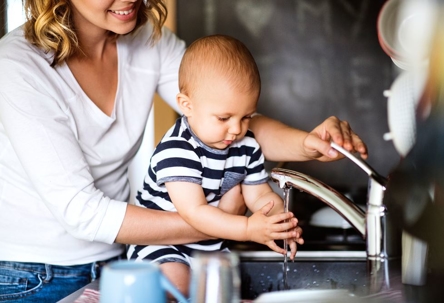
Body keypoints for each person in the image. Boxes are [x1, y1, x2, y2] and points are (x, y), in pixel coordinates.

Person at [0, 1, 367, 302]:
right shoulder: (18, 67)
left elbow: (229, 120)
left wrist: (308, 143)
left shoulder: (145, 39)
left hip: (119, 262)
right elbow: (83, 213)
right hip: (35, 275)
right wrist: (229, 223)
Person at [126, 34, 303, 295]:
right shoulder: (177, 149)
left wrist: (277, 220)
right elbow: (194, 212)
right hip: (163, 245)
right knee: (177, 283)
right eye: (223, 118)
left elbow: (259, 193)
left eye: (246, 117)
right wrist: (247, 228)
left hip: (211, 247)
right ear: (187, 106)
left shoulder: (246, 144)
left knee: (223, 288)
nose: (236, 129)